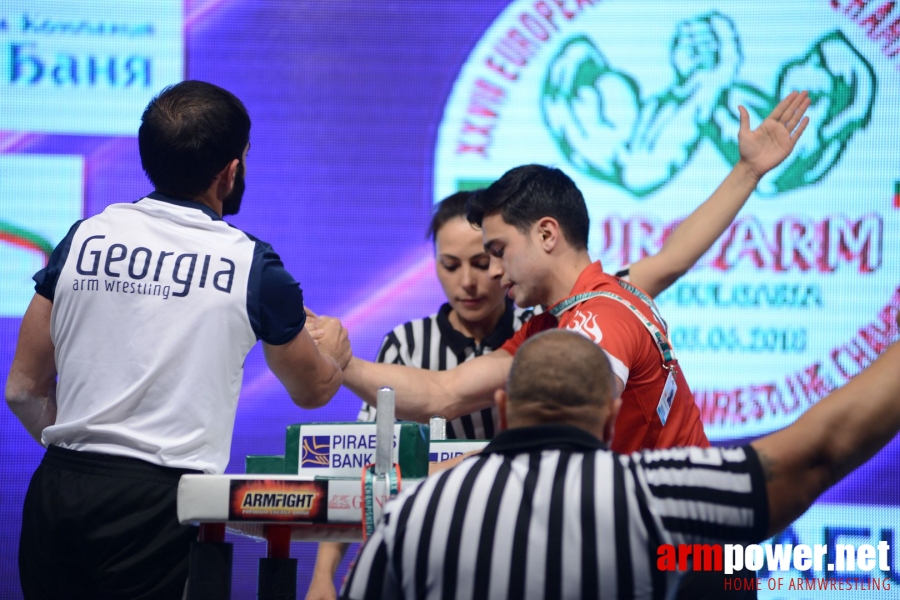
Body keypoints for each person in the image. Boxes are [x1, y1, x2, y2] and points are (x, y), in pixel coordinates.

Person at [5, 80, 349, 599]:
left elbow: (22, 390)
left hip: (57, 491)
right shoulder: (250, 264)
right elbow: (312, 389)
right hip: (156, 504)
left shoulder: (84, 237)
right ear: (231, 171)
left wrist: (93, 458)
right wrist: (337, 353)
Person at [322, 91, 810, 453]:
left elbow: (555, 450)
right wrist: (344, 363)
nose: (491, 271)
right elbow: (444, 393)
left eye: (497, 250)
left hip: (686, 561)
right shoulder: (562, 319)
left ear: (548, 234)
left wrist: (429, 483)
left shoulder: (596, 322)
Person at [340, 324, 900, 599]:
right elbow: (819, 452)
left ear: (504, 409)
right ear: (611, 418)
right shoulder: (658, 492)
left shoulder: (413, 513)